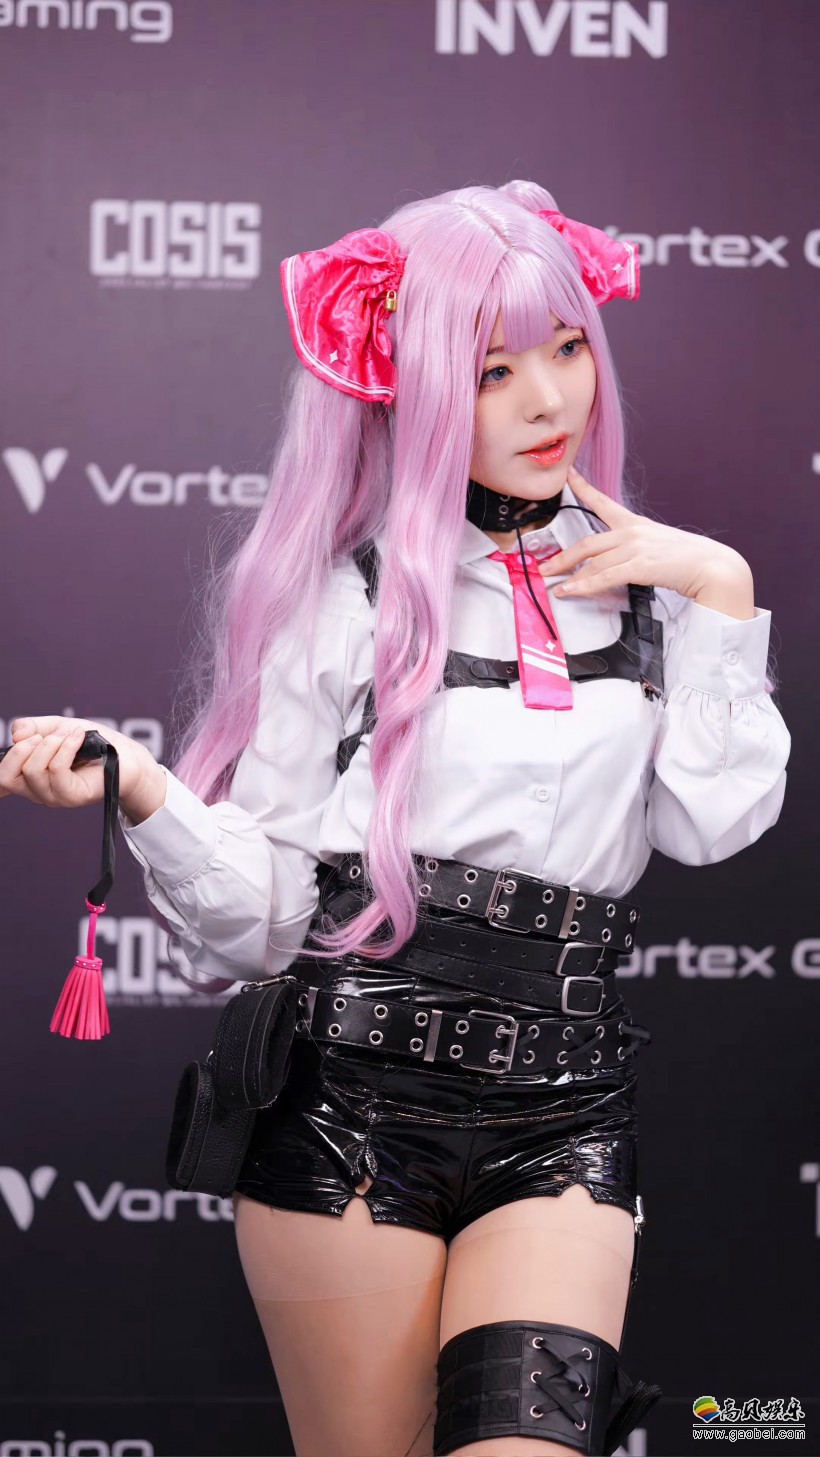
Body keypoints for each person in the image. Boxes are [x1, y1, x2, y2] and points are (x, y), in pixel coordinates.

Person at [1, 180, 790, 1457]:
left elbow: (712, 824)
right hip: (348, 1112)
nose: (548, 399)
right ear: (411, 388)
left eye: (568, 347)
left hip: (565, 1108)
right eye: (491, 372)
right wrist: (143, 787)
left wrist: (721, 585)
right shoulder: (342, 599)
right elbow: (265, 923)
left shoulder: (653, 587)